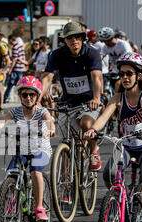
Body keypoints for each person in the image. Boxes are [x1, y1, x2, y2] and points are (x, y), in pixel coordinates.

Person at [84, 52, 142, 222]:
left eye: (129, 73)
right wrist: (93, 129)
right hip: (126, 146)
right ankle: (119, 202)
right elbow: (103, 117)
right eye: (122, 74)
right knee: (109, 174)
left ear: (139, 75)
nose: (125, 77)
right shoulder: (117, 98)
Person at [0, 76, 55, 221]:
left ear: (37, 96)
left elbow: (50, 122)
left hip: (40, 149)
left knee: (35, 172)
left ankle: (40, 207)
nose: (28, 98)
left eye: (32, 95)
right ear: (20, 96)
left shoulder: (42, 112)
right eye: (24, 95)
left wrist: (50, 130)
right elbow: (2, 122)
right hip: (22, 149)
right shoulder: (15, 112)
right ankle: (14, 200)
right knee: (11, 173)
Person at [40, 22, 103, 171]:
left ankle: (94, 152)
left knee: (86, 125)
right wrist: (37, 100)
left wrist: (96, 98)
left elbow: (97, 77)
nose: (74, 40)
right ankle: (65, 187)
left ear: (82, 38)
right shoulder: (57, 54)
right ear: (65, 40)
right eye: (70, 38)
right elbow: (47, 78)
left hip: (89, 101)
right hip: (68, 102)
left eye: (77, 37)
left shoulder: (91, 53)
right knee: (66, 145)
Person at [3, 34, 27, 105]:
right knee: (20, 85)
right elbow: (23, 57)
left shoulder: (15, 47)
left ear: (11, 40)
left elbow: (14, 59)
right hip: (21, 68)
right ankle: (22, 99)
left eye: (8, 40)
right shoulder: (21, 46)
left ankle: (5, 99)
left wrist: (10, 70)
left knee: (10, 85)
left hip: (16, 69)